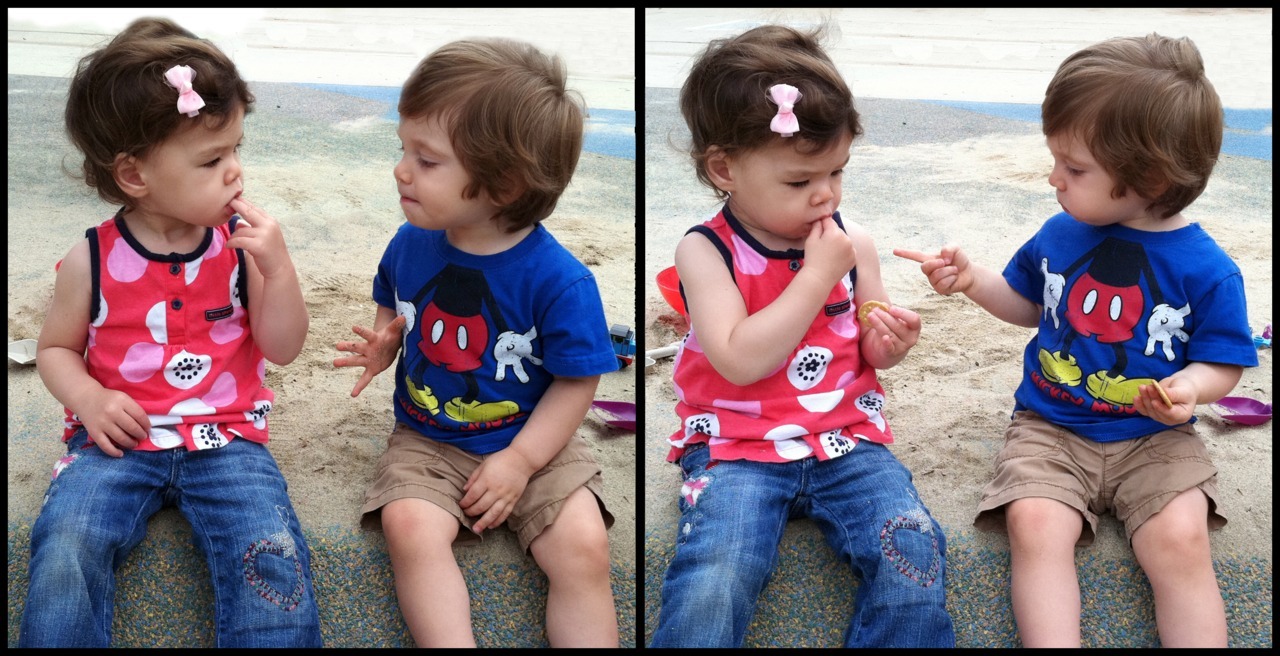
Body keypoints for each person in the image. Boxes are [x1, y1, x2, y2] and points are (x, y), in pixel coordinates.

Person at [895, 33, 1257, 648]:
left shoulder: (1208, 269)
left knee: (1181, 538)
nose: (1053, 177)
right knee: (1035, 525)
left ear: (1150, 177)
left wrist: (1189, 389)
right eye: (1056, 159)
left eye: (1075, 167)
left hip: (1156, 437)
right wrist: (974, 280)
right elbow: (1029, 307)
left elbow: (1222, 361)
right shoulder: (1060, 234)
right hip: (1051, 426)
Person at [649, 24, 955, 648]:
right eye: (799, 181)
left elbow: (865, 343)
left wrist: (888, 343)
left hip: (847, 440)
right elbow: (740, 361)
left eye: (836, 172)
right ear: (724, 168)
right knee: (715, 574)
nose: (825, 196)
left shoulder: (851, 242)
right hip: (737, 444)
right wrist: (815, 277)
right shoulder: (706, 251)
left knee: (913, 550)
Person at [19, 17, 320, 648]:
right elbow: (55, 349)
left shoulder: (239, 248)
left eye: (236, 149)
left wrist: (279, 270)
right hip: (117, 441)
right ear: (134, 176)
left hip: (228, 438)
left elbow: (284, 346)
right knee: (66, 543)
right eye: (212, 159)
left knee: (271, 554)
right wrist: (89, 398)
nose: (235, 172)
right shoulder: (92, 260)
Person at [332, 37, 620, 648]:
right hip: (429, 436)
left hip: (536, 439)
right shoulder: (413, 240)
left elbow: (577, 382)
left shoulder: (560, 281)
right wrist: (387, 340)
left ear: (504, 184)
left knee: (583, 545)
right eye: (403, 149)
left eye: (427, 160)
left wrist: (521, 461)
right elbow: (394, 297)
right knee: (409, 527)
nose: (401, 169)